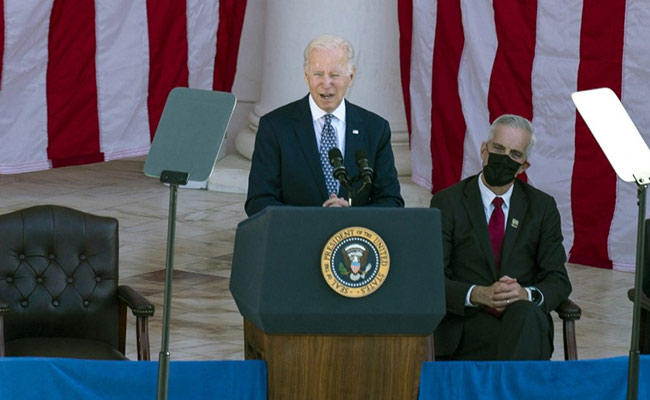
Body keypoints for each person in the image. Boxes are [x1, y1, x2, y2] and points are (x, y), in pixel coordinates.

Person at [429, 114, 572, 360]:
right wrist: (478, 294)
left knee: (526, 315)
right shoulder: (448, 202)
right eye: (498, 148)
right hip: (467, 327)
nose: (504, 158)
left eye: (514, 154)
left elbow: (558, 280)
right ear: (484, 150)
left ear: (523, 166)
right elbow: (432, 279)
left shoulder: (542, 207)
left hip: (522, 323)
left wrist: (525, 294)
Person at [245, 34, 404, 217]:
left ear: (351, 76)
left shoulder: (375, 129)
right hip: (296, 233)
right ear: (306, 76)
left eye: (335, 75)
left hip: (355, 233)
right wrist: (316, 219)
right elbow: (258, 201)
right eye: (318, 74)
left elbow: (392, 201)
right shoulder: (274, 126)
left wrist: (351, 215)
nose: (326, 83)